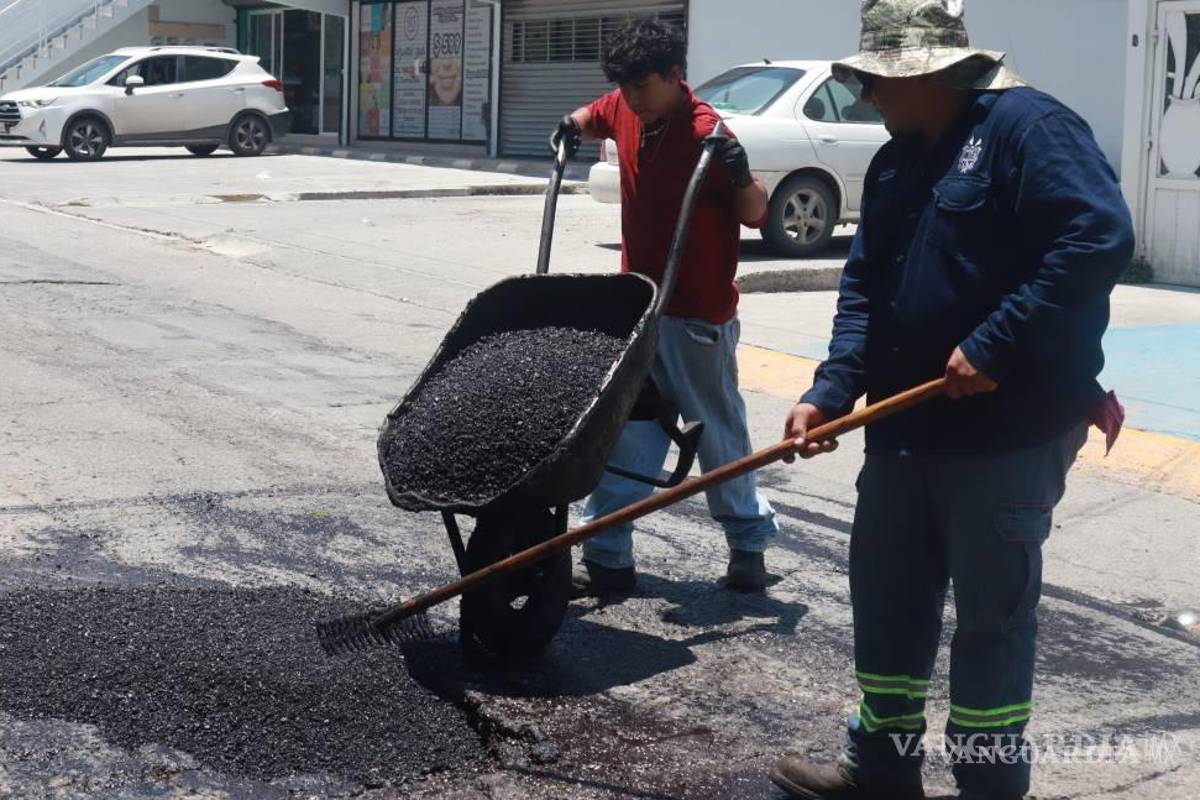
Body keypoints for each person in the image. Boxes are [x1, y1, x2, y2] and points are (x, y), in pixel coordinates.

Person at [769, 1, 1134, 798]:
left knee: (991, 628)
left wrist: (996, 343)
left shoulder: (1028, 129)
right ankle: (880, 769)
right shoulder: (898, 160)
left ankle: (988, 785)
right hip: (902, 433)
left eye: (877, 79)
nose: (868, 94)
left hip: (1004, 437)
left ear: (929, 72)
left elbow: (1097, 238)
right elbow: (866, 289)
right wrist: (829, 391)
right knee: (888, 601)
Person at [550, 19, 779, 596]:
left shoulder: (708, 132)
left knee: (717, 433)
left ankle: (748, 544)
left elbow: (755, 213)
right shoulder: (626, 104)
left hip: (697, 315)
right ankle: (606, 552)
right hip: (639, 306)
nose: (632, 100)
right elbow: (596, 110)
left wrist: (739, 170)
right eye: (625, 89)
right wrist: (572, 125)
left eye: (644, 88)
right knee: (629, 433)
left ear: (677, 78)